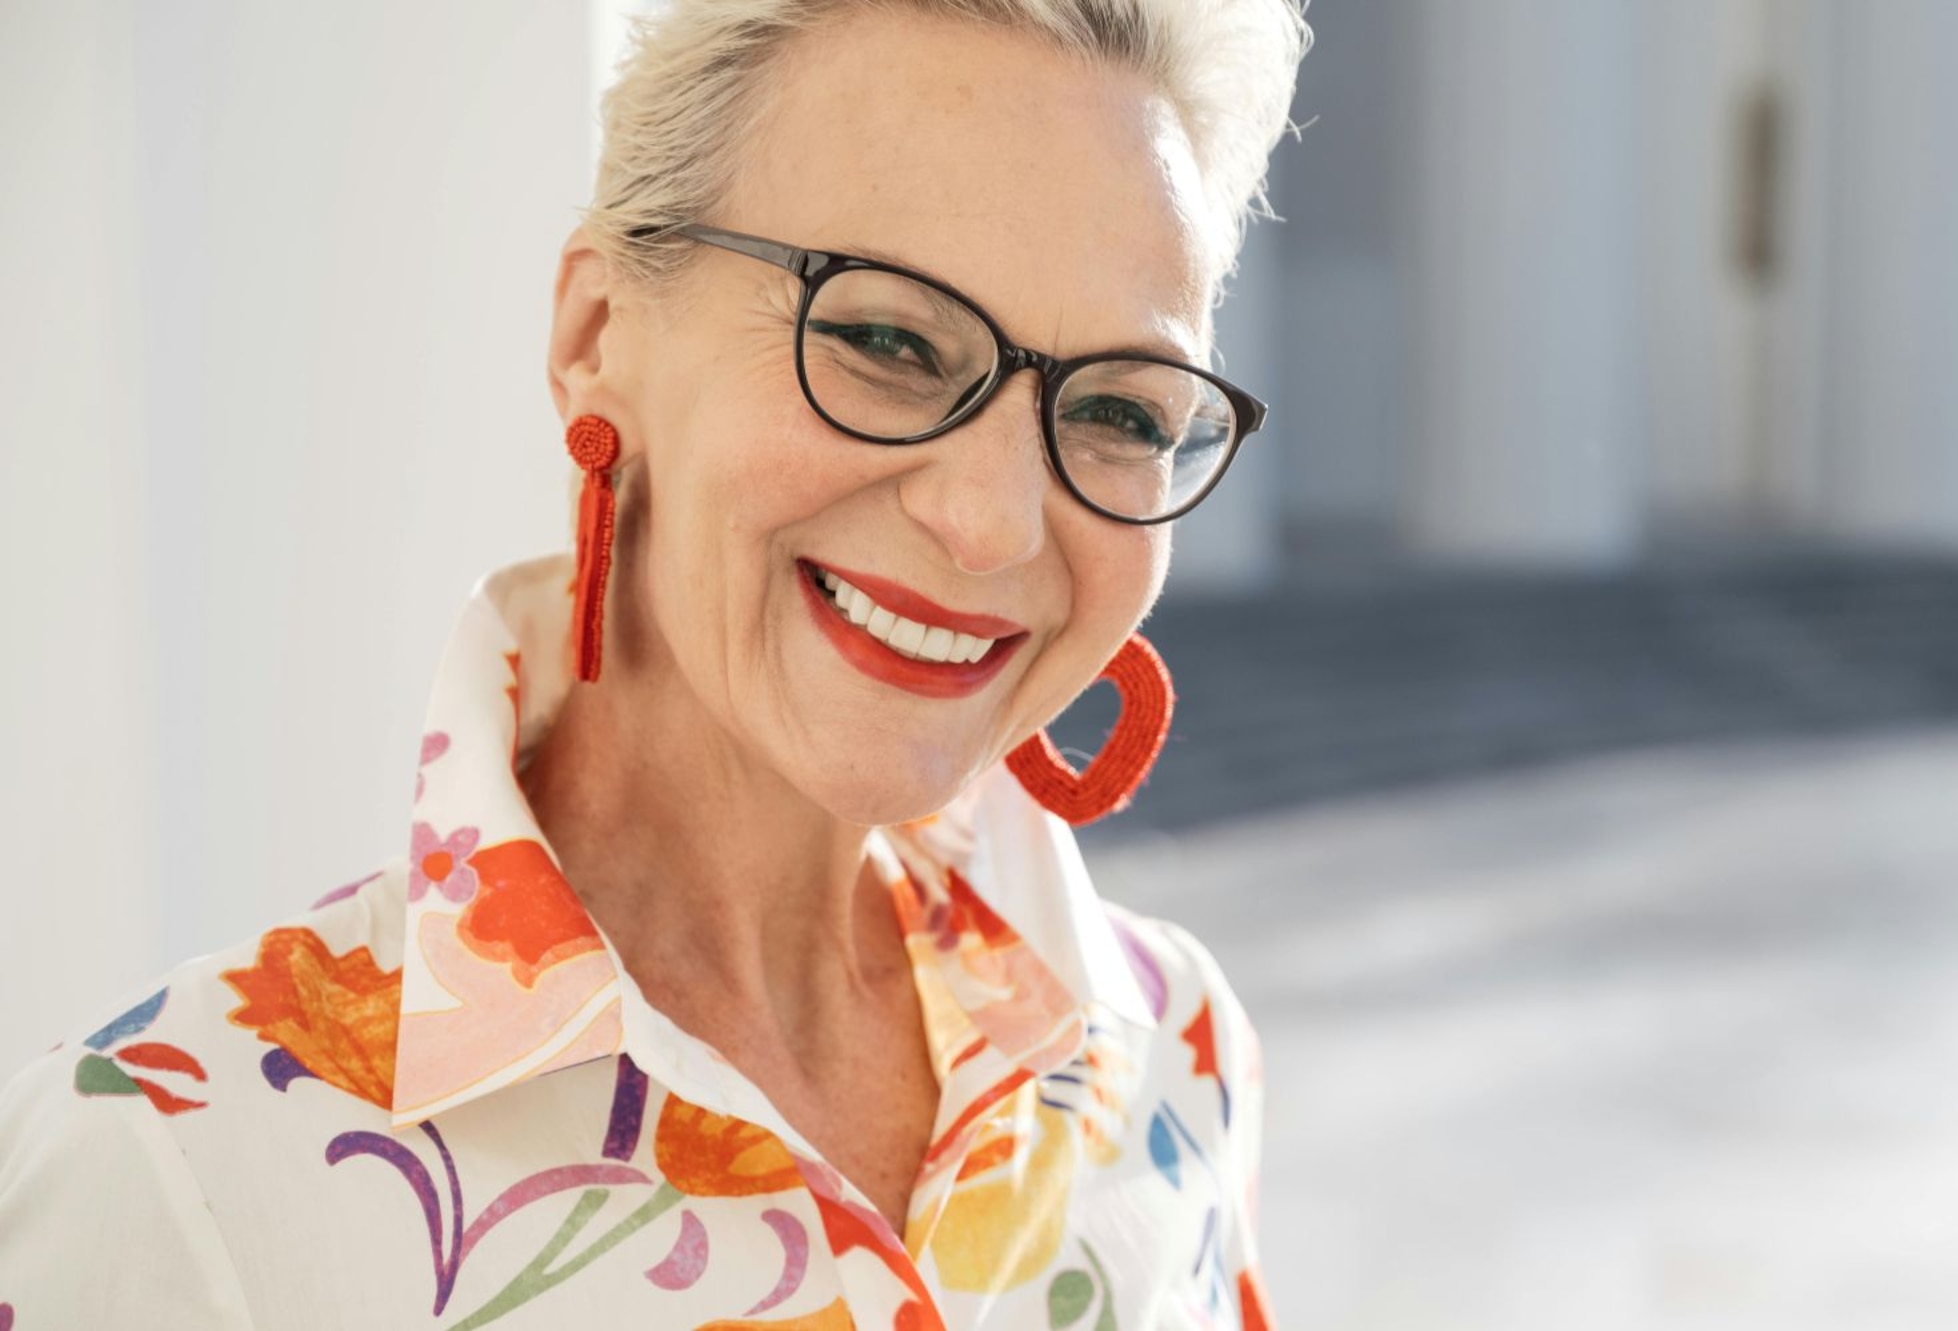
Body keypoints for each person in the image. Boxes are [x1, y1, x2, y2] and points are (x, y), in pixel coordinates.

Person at [0, 0, 1307, 1325]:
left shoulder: (1176, 1053)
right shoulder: (162, 1169)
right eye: (889, 341)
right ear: (595, 339)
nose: (993, 523)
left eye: (1120, 410)